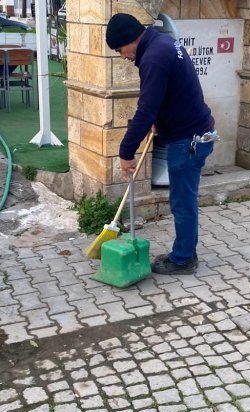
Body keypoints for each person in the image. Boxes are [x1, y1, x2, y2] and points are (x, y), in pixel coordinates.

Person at [105, 13, 217, 275]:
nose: (122, 56)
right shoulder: (163, 44)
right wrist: (160, 117)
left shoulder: (153, 57)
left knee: (182, 201)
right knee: (183, 199)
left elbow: (146, 108)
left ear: (131, 40)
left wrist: (125, 152)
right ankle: (186, 250)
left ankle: (183, 260)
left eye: (120, 49)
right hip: (195, 131)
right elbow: (167, 95)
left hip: (188, 141)